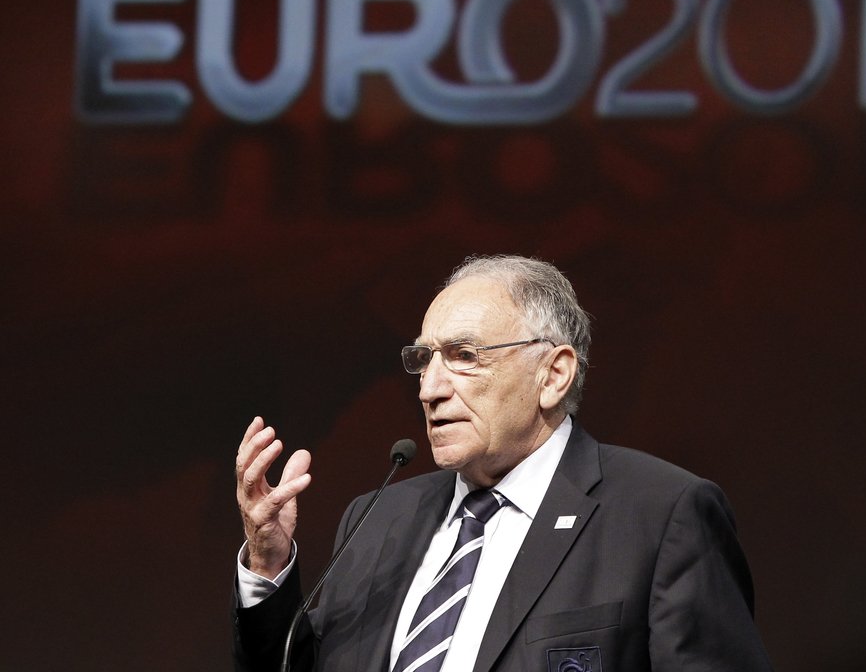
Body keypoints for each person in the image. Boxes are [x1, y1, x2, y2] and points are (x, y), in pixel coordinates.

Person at [233, 254, 773, 672]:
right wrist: (267, 563)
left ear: (553, 375)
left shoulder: (661, 515)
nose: (430, 389)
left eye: (464, 356)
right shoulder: (377, 520)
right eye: (423, 360)